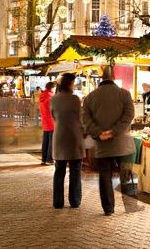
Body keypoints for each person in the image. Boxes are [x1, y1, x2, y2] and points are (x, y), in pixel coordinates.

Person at [83, 67, 135, 216]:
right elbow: (129, 115)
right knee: (126, 173)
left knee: (105, 176)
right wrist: (115, 131)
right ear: (113, 77)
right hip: (122, 143)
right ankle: (130, 206)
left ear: (100, 79)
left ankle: (108, 208)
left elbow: (85, 120)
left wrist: (99, 133)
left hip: (102, 144)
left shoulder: (90, 97)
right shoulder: (125, 94)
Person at [50, 73, 85, 209]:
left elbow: (54, 117)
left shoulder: (54, 99)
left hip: (59, 137)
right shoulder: (75, 99)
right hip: (74, 137)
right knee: (75, 170)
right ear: (69, 84)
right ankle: (75, 200)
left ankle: (58, 202)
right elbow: (80, 118)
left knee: (59, 171)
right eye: (73, 83)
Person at [39, 82, 55, 165]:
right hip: (51, 121)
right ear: (52, 88)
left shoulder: (42, 95)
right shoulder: (51, 96)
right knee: (52, 140)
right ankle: (49, 159)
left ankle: (44, 159)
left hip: (45, 121)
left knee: (45, 140)